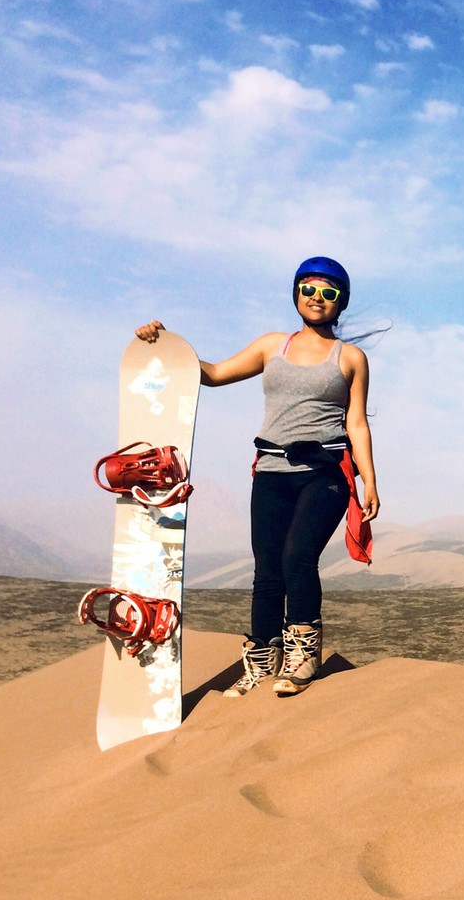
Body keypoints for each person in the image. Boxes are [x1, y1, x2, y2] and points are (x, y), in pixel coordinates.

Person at [135, 256, 380, 697]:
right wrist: (166, 342)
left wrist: (369, 482)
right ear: (296, 294)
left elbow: (357, 422)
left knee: (297, 558)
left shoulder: (352, 358)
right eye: (308, 288)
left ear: (341, 303)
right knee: (267, 572)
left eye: (329, 292)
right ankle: (262, 661)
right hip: (270, 472)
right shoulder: (272, 346)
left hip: (322, 473)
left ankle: (303, 655)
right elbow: (210, 375)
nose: (317, 298)